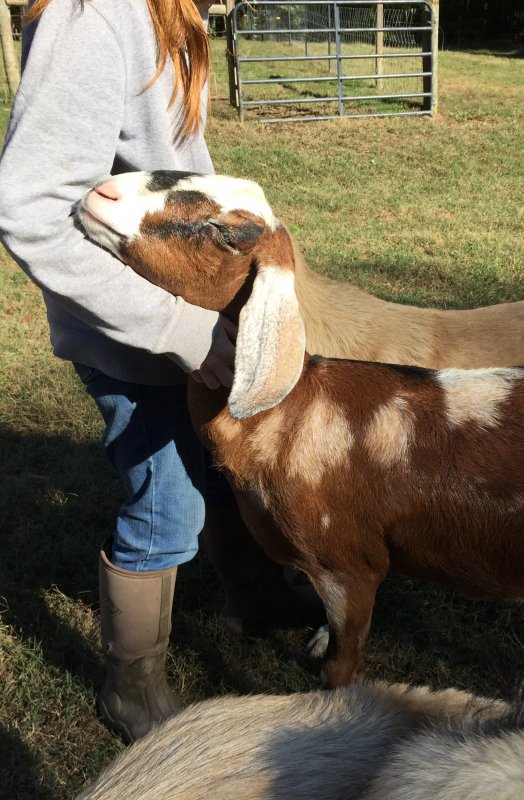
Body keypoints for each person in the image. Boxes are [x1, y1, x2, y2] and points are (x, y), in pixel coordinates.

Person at [0, 0, 320, 744]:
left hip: (181, 318)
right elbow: (28, 208)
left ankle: (254, 597)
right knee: (167, 503)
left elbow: (171, 165)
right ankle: (132, 688)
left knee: (218, 470)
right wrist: (178, 329)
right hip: (131, 336)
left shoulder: (173, 14)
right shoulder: (95, 17)